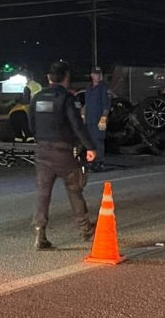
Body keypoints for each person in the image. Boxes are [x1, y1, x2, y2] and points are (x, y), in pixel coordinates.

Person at [29, 61, 96, 250]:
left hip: (42, 152)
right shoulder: (66, 98)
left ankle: (39, 235)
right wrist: (89, 147)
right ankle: (86, 230)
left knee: (43, 194)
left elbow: (31, 124)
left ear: (48, 78)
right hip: (63, 152)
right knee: (74, 189)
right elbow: (77, 125)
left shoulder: (37, 98)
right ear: (66, 78)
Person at [83, 66, 110, 171]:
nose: (97, 76)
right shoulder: (89, 87)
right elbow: (87, 104)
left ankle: (99, 162)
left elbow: (106, 105)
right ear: (91, 75)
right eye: (95, 74)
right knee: (89, 141)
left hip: (99, 120)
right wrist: (83, 115)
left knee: (98, 141)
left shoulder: (104, 88)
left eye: (99, 74)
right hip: (89, 119)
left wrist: (104, 118)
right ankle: (91, 161)